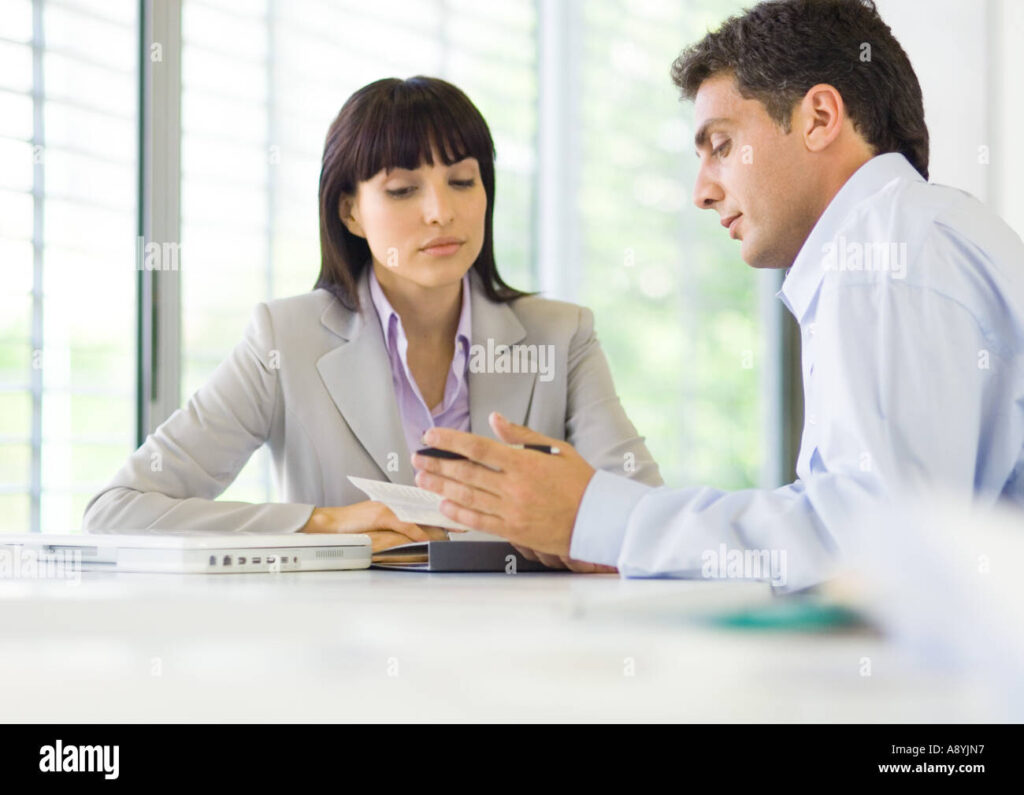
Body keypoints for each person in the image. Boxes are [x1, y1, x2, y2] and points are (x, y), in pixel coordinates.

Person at [411, 0, 1024, 592]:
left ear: (818, 118)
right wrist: (600, 532)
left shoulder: (884, 254)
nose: (702, 191)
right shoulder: (914, 234)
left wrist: (599, 519)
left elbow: (876, 548)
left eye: (722, 145)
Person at [83, 76, 662, 562]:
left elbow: (647, 521)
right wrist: (323, 524)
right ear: (351, 211)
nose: (441, 212)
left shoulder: (562, 335)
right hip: (346, 664)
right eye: (404, 189)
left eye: (462, 181)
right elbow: (118, 511)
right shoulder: (286, 339)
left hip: (521, 656)